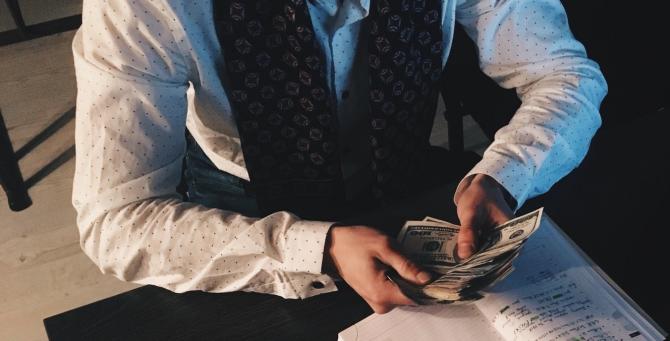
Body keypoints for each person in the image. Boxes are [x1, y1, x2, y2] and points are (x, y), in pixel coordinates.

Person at [71, 0, 607, 314]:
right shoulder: (144, 6)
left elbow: (565, 75)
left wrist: (505, 173)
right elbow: (114, 222)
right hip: (245, 213)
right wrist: (315, 247)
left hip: (408, 180)